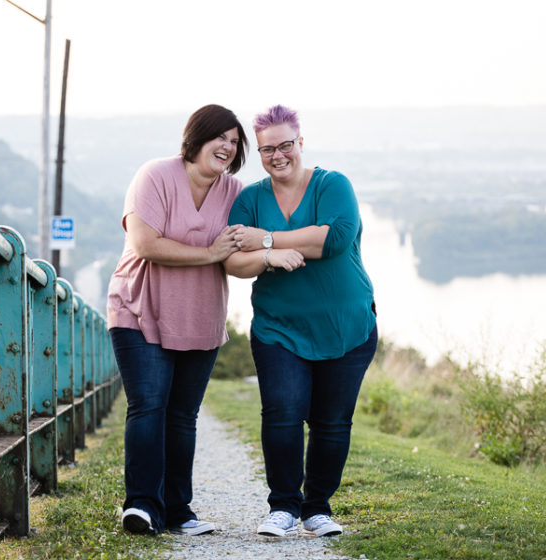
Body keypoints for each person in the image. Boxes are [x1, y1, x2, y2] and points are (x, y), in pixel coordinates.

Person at [224, 105, 378, 538]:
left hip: (346, 327)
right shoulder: (250, 199)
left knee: (332, 421)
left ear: (300, 143)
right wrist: (268, 256)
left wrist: (266, 238)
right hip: (279, 329)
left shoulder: (333, 185)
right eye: (267, 149)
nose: (278, 155)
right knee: (283, 413)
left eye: (285, 145)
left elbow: (333, 238)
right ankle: (284, 508)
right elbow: (234, 261)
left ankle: (318, 509)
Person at [106, 104, 248, 536]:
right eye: (219, 136)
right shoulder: (155, 175)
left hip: (200, 316)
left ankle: (179, 510)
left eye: (235, 140)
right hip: (139, 309)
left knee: (183, 415)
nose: (227, 146)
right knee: (149, 405)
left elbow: (242, 251)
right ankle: (142, 506)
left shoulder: (235, 192)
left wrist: (280, 252)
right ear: (196, 137)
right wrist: (209, 253)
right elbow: (146, 243)